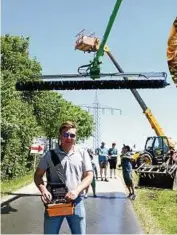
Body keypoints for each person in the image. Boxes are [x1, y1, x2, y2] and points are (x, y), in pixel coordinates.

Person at [34, 121, 93, 234]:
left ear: (75, 137)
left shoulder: (82, 153)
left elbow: (89, 175)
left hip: (76, 201)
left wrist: (76, 191)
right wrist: (43, 190)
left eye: (72, 135)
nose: (69, 138)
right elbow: (37, 175)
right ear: (60, 136)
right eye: (65, 134)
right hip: (54, 202)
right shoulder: (50, 155)